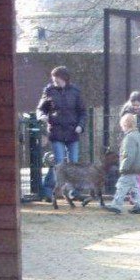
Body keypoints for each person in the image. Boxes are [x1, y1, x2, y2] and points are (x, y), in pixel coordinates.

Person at [36, 66, 86, 198]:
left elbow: (82, 112)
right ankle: (48, 190)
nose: (54, 80)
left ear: (63, 78)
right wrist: (42, 116)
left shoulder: (75, 92)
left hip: (72, 132)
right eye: (53, 78)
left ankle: (74, 192)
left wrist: (80, 126)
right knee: (59, 162)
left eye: (56, 77)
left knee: (73, 163)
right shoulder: (49, 91)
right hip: (56, 131)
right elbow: (41, 109)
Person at [106, 113, 140, 215]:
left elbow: (128, 155)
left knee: (121, 185)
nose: (122, 128)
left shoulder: (129, 138)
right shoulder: (139, 136)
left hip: (130, 167)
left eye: (122, 126)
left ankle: (116, 205)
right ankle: (138, 206)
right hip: (138, 166)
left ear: (125, 125)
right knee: (134, 187)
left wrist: (123, 168)